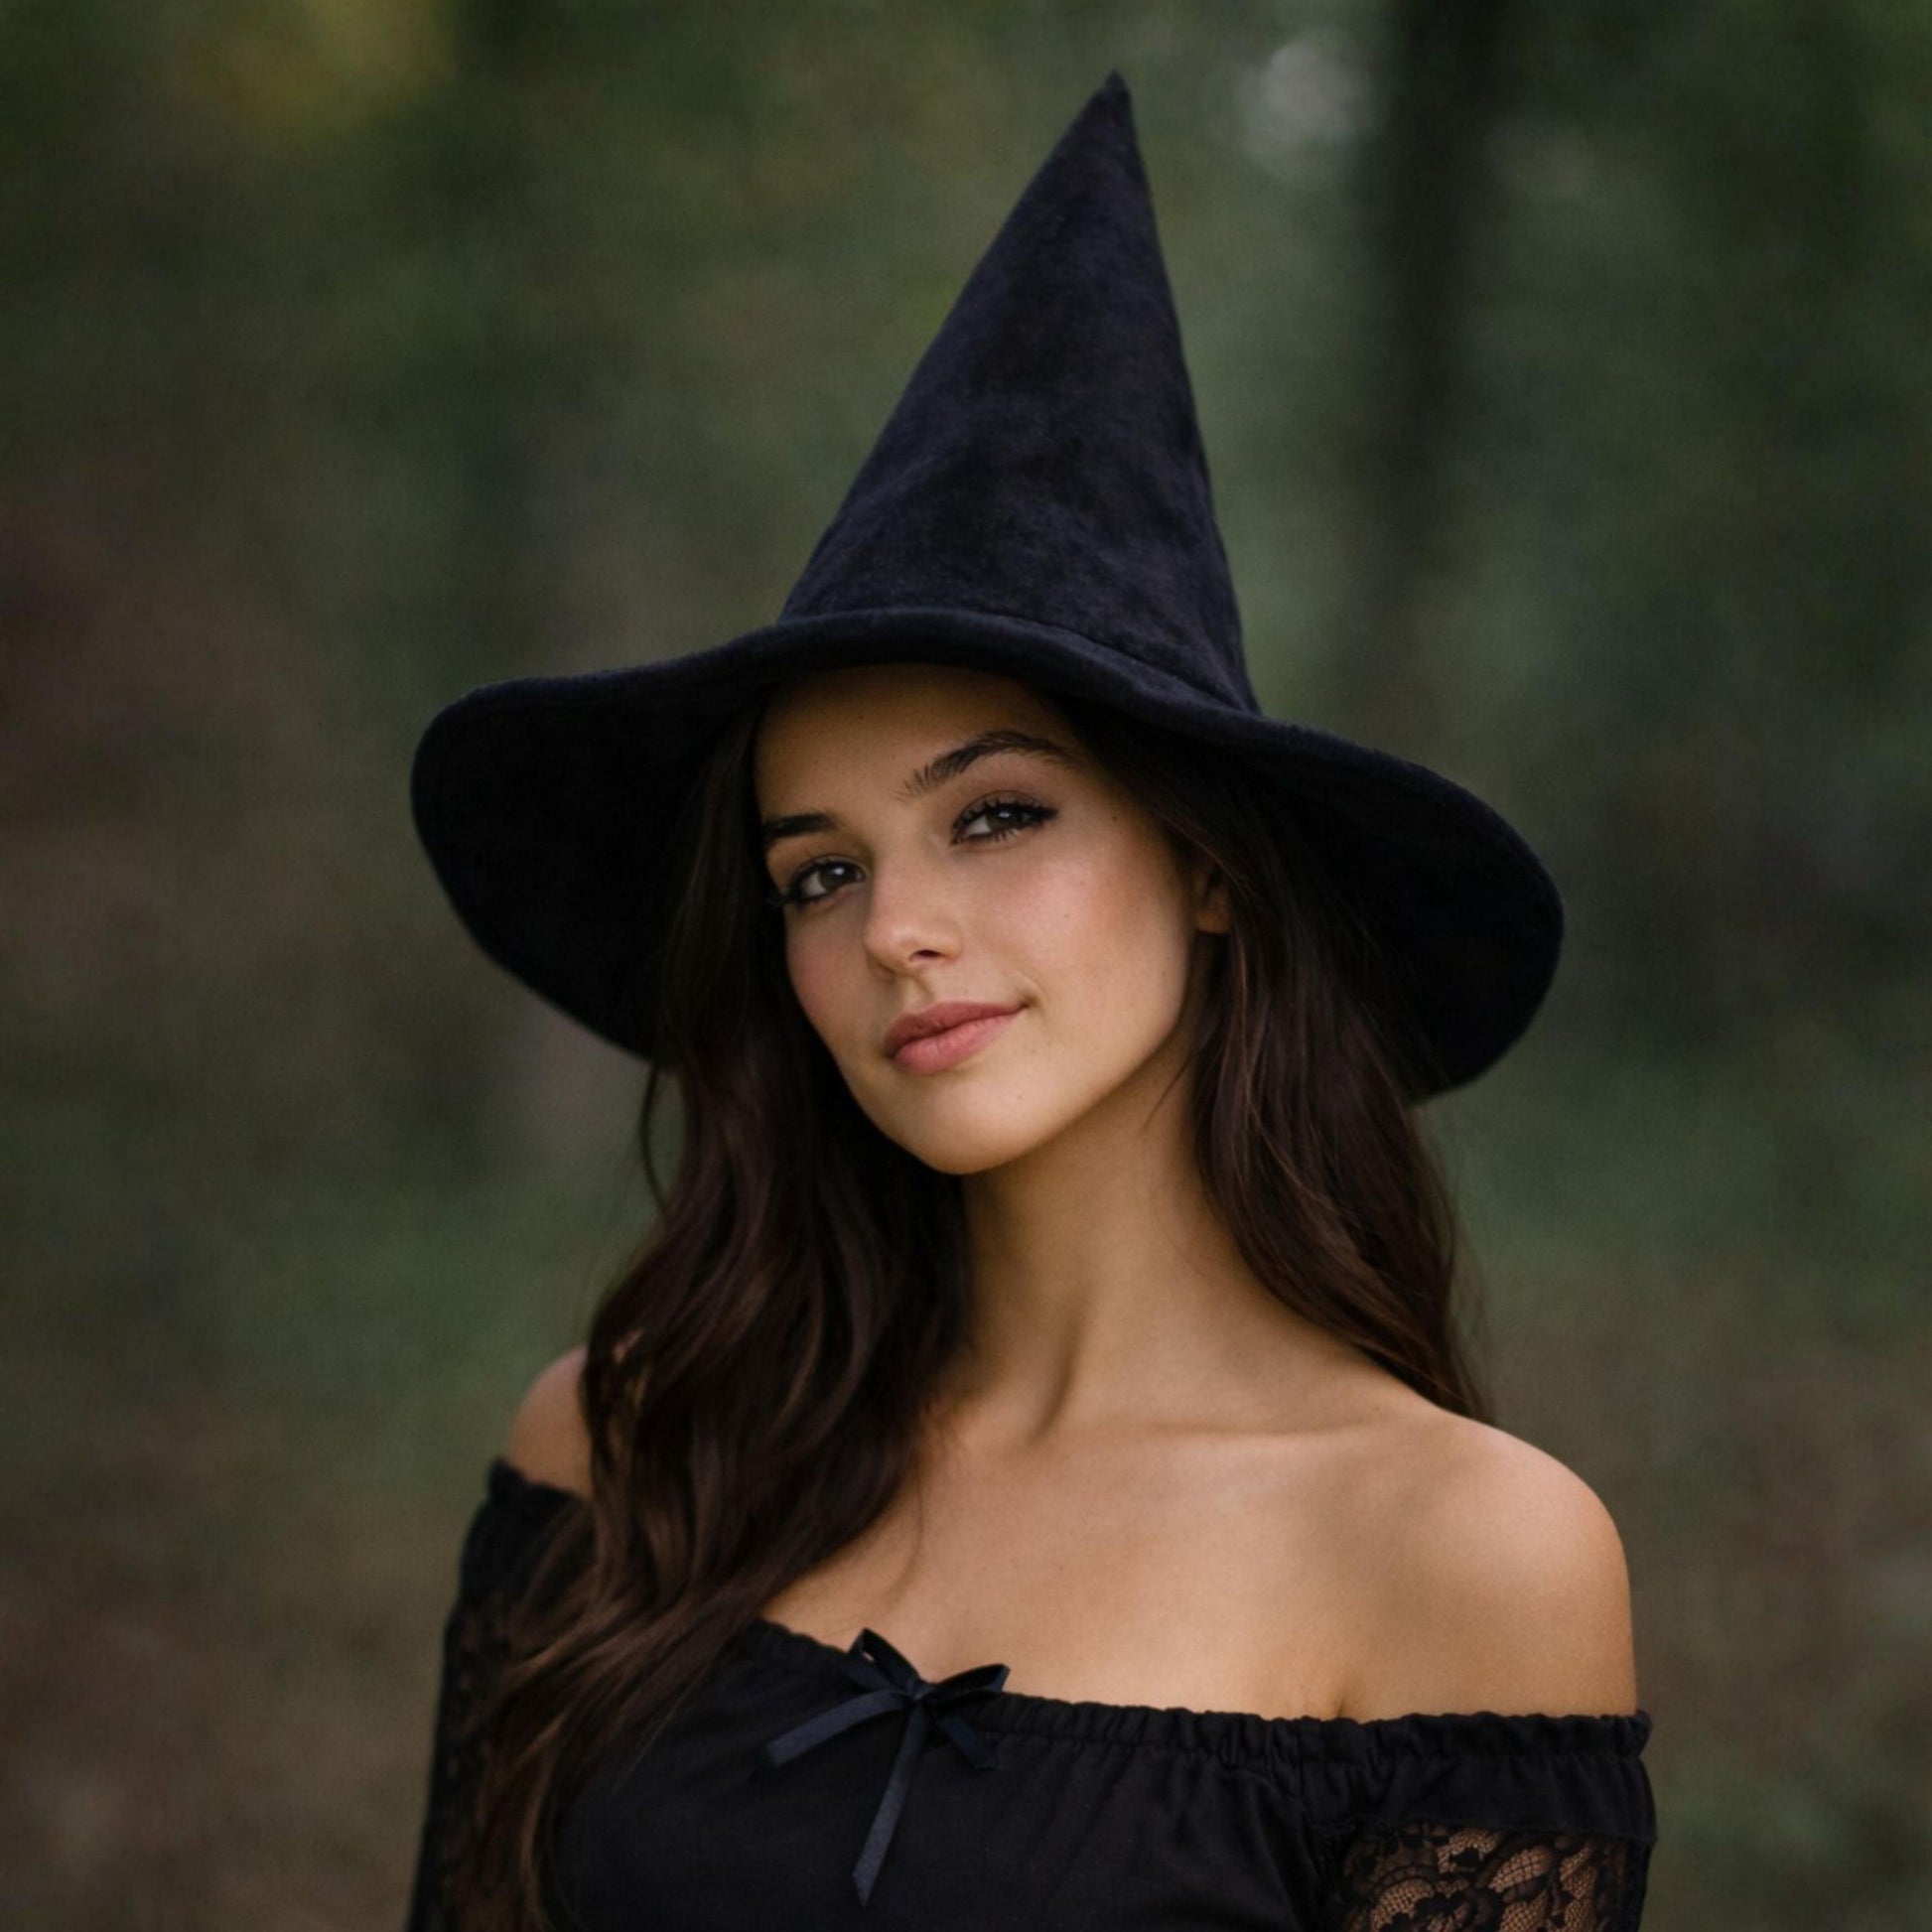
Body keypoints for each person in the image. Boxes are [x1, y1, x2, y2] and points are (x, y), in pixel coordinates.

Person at [402, 69, 1657, 1932]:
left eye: (994, 815)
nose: (898, 927)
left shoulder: (1463, 1554)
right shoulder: (625, 1441)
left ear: (1211, 865)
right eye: (817, 871)